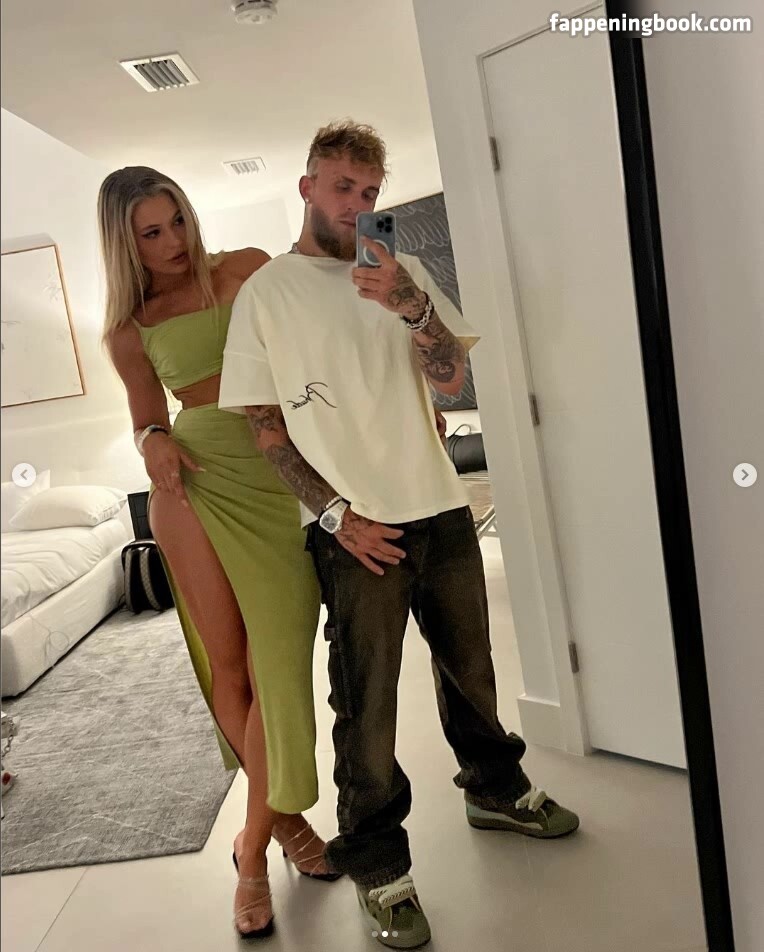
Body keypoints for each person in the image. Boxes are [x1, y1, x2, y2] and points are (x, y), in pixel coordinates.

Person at [217, 121, 580, 949]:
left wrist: (412, 305)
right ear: (308, 186)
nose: (356, 204)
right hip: (352, 529)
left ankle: (495, 789)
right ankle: (379, 864)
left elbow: (448, 377)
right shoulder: (267, 293)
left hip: (439, 506)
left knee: (471, 670)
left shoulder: (401, 271)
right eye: (342, 187)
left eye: (370, 192)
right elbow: (266, 426)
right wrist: (336, 517)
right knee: (368, 704)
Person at [98, 166, 341, 941]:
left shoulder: (246, 268)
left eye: (176, 220)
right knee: (229, 667)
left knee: (281, 661)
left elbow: (314, 350)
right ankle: (268, 847)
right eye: (151, 232)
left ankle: (255, 833)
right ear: (125, 243)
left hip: (272, 468)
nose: (172, 241)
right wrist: (152, 441)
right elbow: (146, 416)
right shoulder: (129, 329)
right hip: (192, 483)